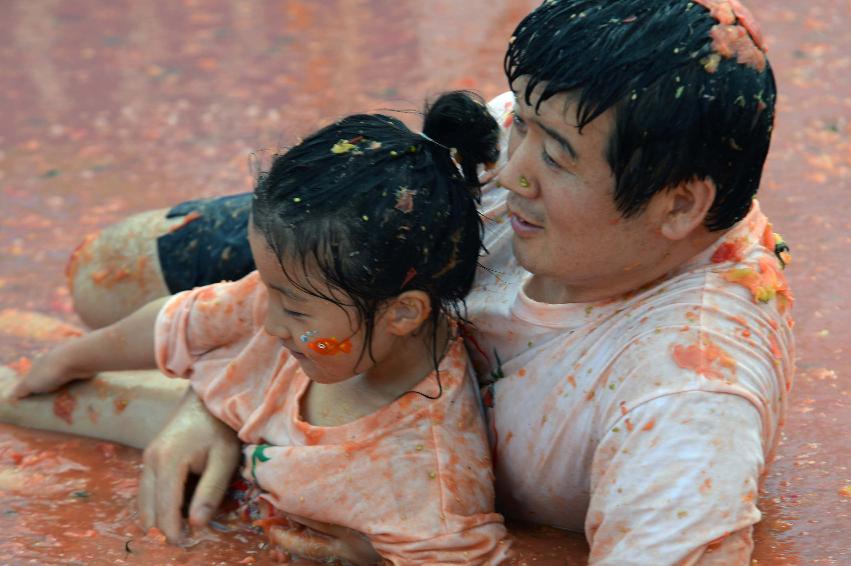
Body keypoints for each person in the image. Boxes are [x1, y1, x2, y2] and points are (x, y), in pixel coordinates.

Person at [19, 0, 796, 564]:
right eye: (519, 120)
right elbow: (321, 263)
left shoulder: (689, 402)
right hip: (357, 324)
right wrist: (219, 398)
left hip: (422, 455)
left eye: (554, 155)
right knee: (103, 276)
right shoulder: (517, 146)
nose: (507, 170)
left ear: (680, 205)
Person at [8, 92, 512, 564]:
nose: (268, 322)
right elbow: (176, 320)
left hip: (271, 488)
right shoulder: (303, 300)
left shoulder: (425, 484)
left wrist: (376, 557)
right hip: (236, 442)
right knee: (20, 397)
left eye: (292, 310)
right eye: (267, 290)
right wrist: (66, 360)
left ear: (404, 313)